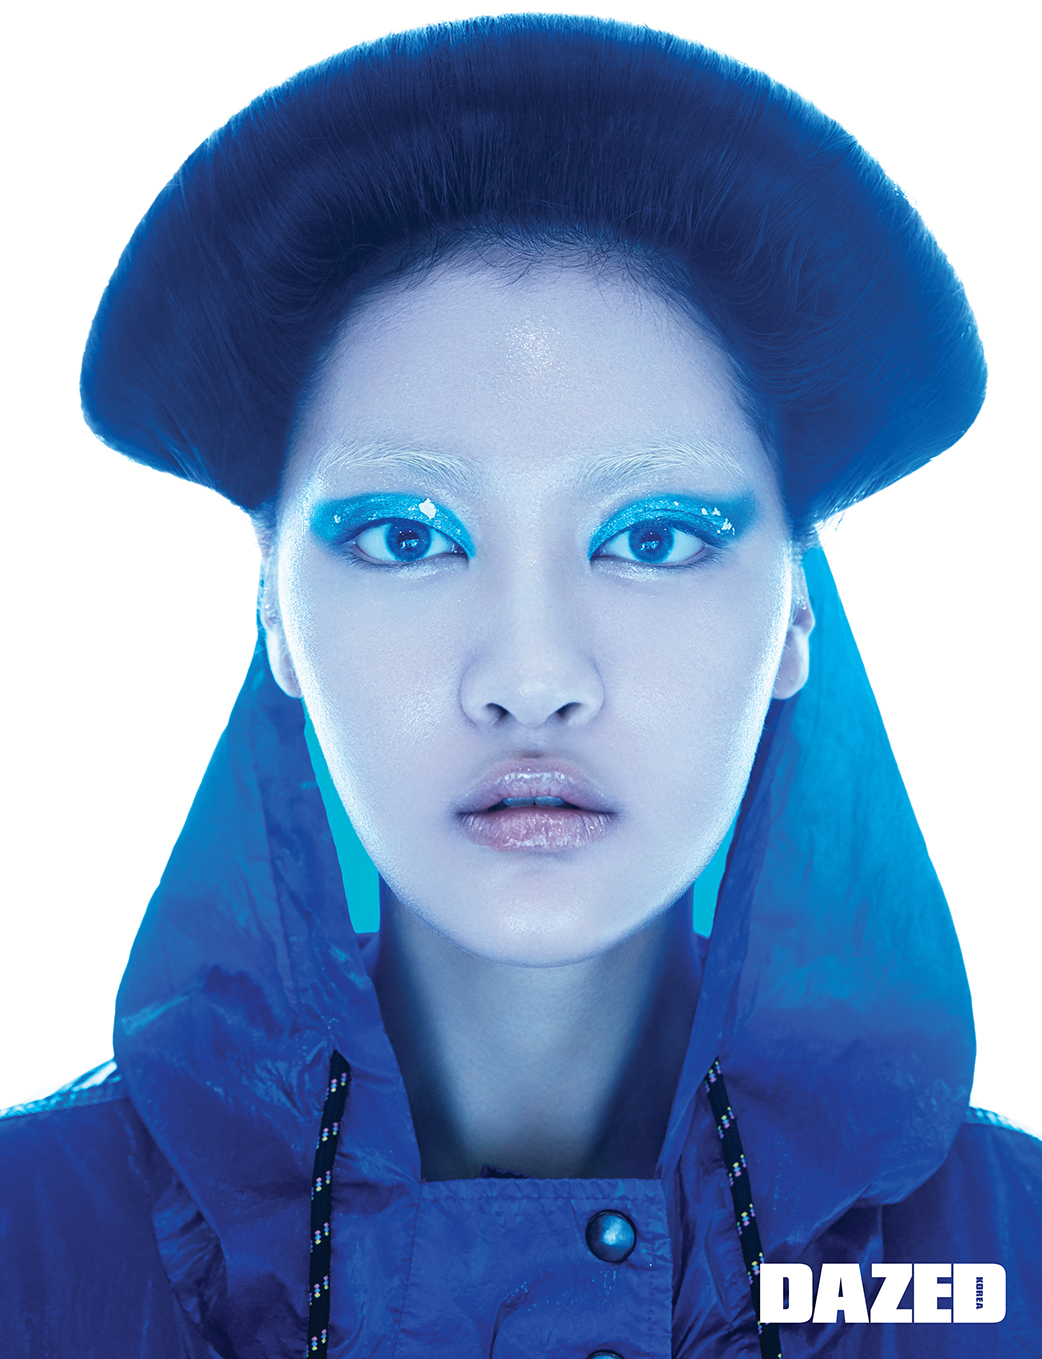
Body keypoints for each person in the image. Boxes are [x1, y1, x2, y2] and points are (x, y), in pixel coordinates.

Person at [1, 13, 1038, 1357]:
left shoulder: (1010, 1268)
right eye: (407, 537)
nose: (532, 678)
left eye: (652, 538)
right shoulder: (27, 1257)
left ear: (795, 609)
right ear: (274, 613)